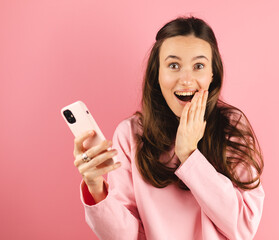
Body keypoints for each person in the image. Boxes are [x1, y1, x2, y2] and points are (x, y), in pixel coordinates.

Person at [73, 16, 265, 240]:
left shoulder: (231, 126)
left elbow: (243, 227)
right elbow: (125, 236)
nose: (186, 79)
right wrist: (95, 187)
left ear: (212, 74)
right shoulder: (130, 135)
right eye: (173, 65)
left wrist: (190, 155)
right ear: (157, 73)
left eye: (199, 66)